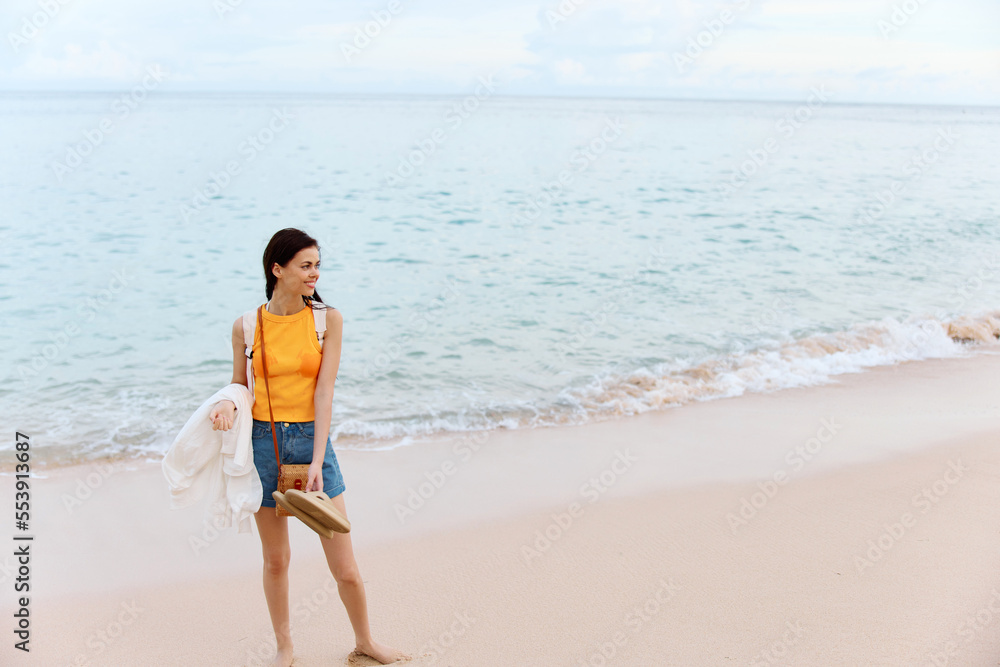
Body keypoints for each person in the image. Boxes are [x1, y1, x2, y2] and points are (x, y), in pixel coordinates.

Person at [207, 228, 409, 666]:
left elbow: (324, 393)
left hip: (312, 443)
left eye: (317, 264)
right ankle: (284, 647)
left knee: (345, 566)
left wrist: (317, 459)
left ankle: (365, 641)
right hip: (263, 444)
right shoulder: (246, 325)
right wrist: (225, 403)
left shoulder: (327, 320)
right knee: (276, 561)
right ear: (277, 270)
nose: (314, 273)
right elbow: (239, 385)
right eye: (305, 265)